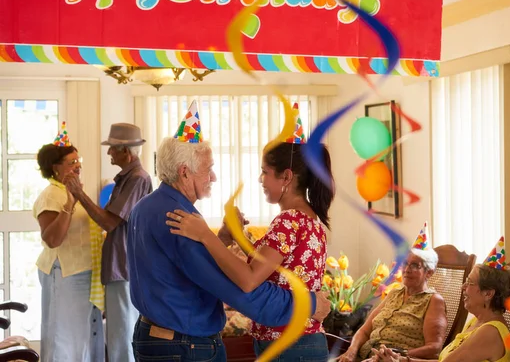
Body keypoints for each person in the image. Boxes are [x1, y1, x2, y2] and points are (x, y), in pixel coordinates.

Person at [127, 100, 331, 362]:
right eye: (208, 170)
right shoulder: (179, 219)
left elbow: (186, 269)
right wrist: (311, 304)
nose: (213, 177)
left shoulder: (145, 207)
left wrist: (219, 237)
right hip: (184, 346)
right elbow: (243, 288)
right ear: (185, 172)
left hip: (154, 337)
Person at [65, 123, 152, 362]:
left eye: (112, 148)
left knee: (122, 335)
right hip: (122, 266)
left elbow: (110, 222)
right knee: (119, 333)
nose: (109, 153)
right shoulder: (129, 178)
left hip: (124, 266)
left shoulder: (137, 178)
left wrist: (79, 194)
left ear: (126, 151)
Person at [370, 237, 510, 362]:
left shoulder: (490, 332)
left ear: (488, 294)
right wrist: (402, 359)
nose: (463, 287)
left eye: (470, 283)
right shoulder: (478, 321)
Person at [33, 122, 104, 362]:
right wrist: (70, 204)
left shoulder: (72, 189)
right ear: (55, 168)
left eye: (78, 161)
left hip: (83, 273)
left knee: (82, 339)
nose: (78, 166)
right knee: (63, 339)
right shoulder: (51, 194)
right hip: (63, 273)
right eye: (71, 163)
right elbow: (52, 239)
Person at [337, 225, 447, 361]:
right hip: (366, 356)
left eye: (415, 265)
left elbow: (434, 348)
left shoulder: (433, 300)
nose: (407, 269)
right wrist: (351, 352)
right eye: (405, 264)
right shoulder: (394, 293)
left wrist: (398, 355)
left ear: (429, 272)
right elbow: (364, 330)